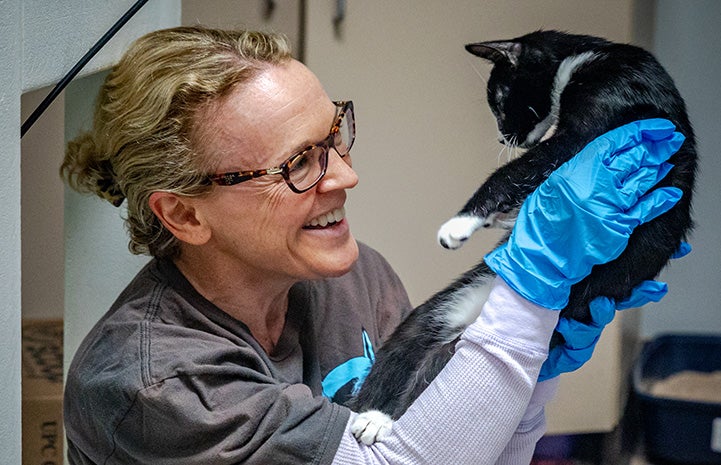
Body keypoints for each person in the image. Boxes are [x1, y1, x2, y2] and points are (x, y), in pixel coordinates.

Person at [60, 26, 686, 465]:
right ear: (185, 215)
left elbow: (465, 452)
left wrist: (530, 379)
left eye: (335, 135)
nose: (345, 175)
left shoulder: (355, 280)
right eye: (298, 164)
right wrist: (525, 297)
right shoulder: (157, 387)